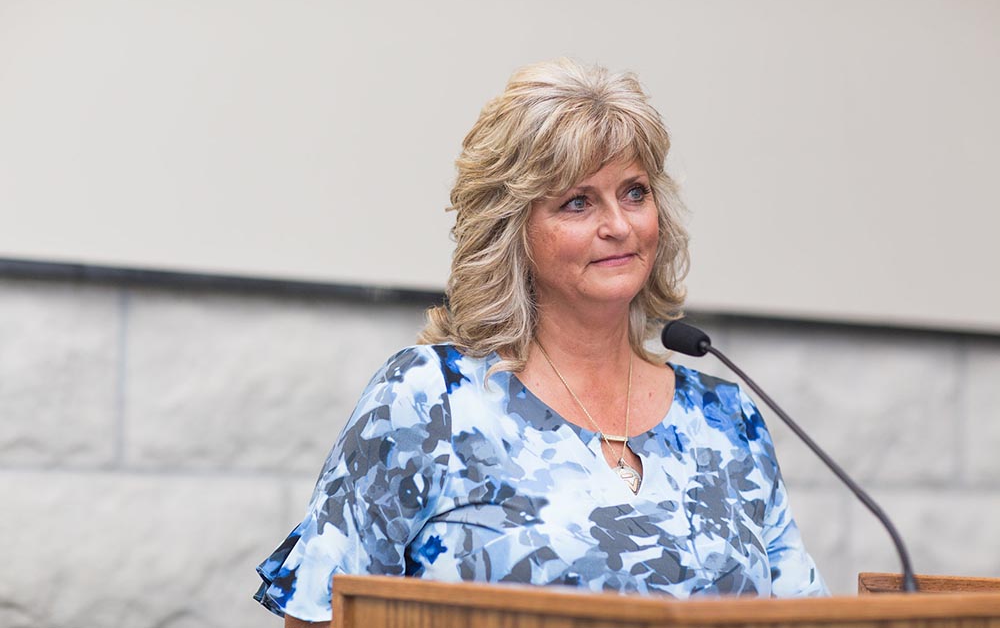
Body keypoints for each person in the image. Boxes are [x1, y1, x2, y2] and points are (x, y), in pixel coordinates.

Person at [255, 59, 827, 625]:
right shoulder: (431, 399)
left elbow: (806, 616)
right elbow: (321, 616)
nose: (619, 225)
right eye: (578, 202)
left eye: (634, 193)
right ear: (514, 230)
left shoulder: (728, 420)